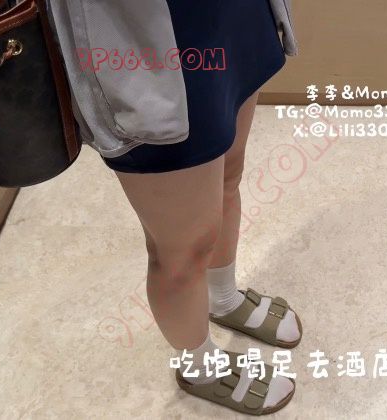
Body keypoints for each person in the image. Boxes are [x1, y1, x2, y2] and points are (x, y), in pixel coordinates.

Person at [100, 1, 301, 415]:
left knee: (228, 174)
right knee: (180, 247)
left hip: (231, 15)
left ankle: (222, 298)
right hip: (144, 42)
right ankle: (199, 367)